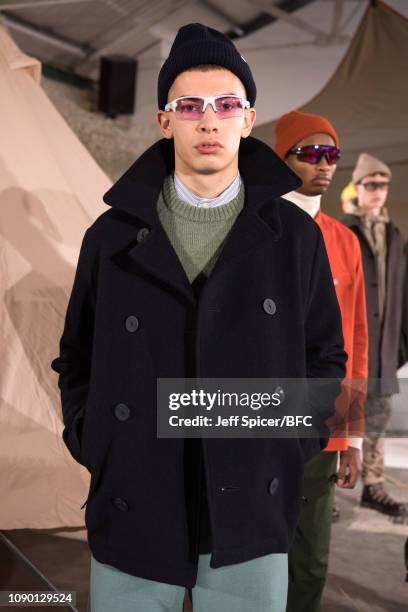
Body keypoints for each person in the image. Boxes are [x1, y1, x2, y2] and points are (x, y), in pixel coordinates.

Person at [51, 24, 346, 612]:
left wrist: (286, 446)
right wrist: (98, 441)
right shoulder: (109, 238)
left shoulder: (294, 239)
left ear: (247, 118)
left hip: (250, 505)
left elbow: (324, 356)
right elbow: (77, 356)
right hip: (135, 499)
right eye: (189, 105)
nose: (208, 120)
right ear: (165, 120)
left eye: (226, 104)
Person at [274, 110, 368, 612]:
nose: (325, 165)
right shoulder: (254, 223)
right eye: (311, 153)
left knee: (310, 557)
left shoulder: (345, 241)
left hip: (320, 422)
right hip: (256, 417)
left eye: (332, 154)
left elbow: (354, 337)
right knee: (247, 548)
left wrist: (351, 436)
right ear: (282, 158)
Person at [342, 153, 406, 517]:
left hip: (383, 345)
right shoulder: (345, 229)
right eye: (371, 185)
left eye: (383, 185)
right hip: (351, 343)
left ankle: (374, 484)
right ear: (359, 187)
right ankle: (329, 485)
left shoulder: (394, 235)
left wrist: (398, 345)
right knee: (341, 415)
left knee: (377, 417)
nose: (378, 192)